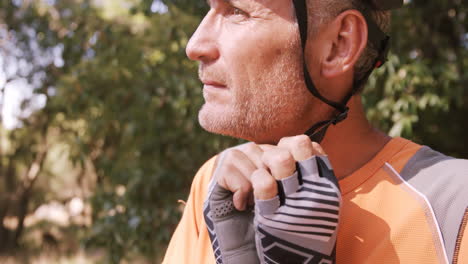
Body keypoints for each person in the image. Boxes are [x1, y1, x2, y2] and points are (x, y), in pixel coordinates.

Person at [162, 0, 468, 263]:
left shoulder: (453, 210)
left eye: (237, 11)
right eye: (210, 8)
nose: (195, 45)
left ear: (338, 45)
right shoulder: (220, 185)